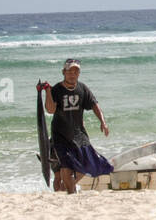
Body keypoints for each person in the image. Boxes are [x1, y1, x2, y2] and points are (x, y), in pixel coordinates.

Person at [40, 59, 112, 193]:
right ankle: (71, 193)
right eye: (70, 71)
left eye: (76, 71)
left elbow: (94, 105)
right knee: (66, 166)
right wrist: (48, 92)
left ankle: (66, 187)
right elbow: (50, 110)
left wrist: (103, 122)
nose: (73, 74)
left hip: (79, 134)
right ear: (63, 72)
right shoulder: (57, 89)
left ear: (79, 73)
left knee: (87, 163)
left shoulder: (82, 88)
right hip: (60, 135)